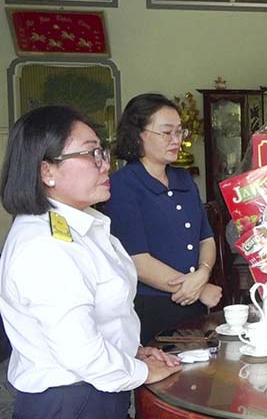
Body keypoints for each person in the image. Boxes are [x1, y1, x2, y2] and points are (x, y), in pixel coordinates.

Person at [0, 105, 181, 418]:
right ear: (47, 171)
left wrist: (133, 352)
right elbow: (79, 350)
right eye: (91, 154)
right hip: (71, 401)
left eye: (103, 152)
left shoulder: (83, 224)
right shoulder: (43, 246)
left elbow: (99, 315)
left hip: (98, 389)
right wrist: (142, 372)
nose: (104, 165)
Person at [105, 93, 222, 343]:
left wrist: (203, 272)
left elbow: (206, 238)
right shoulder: (122, 185)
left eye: (179, 132)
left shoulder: (183, 180)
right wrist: (198, 289)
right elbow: (138, 261)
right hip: (153, 308)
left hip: (194, 304)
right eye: (166, 132)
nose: (176, 140)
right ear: (139, 134)